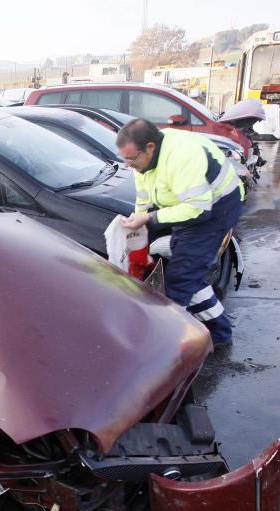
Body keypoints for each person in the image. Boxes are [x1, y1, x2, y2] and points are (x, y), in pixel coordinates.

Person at [116, 118, 244, 347]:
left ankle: (166, 346)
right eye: (123, 158)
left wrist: (151, 218)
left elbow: (197, 211)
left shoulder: (182, 156)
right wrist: (138, 222)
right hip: (191, 207)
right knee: (189, 273)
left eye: (130, 159)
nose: (127, 165)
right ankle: (219, 333)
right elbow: (144, 198)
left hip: (216, 209)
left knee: (179, 281)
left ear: (150, 147)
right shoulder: (143, 161)